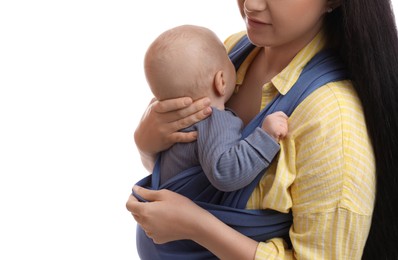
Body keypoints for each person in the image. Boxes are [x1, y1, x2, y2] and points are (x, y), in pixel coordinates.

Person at [127, 0, 398, 259]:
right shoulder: (234, 51)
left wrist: (196, 227)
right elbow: (187, 171)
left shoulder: (331, 118)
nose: (251, 4)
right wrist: (146, 145)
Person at [143, 24, 288, 189]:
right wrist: (265, 137)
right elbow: (225, 173)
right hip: (188, 209)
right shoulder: (214, 120)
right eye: (227, 58)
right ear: (221, 81)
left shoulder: (173, 124)